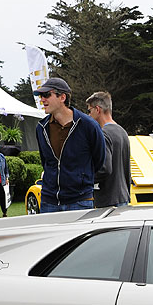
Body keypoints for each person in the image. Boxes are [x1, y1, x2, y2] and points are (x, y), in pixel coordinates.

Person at [34, 77, 106, 212]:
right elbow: (46, 162)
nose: (42, 100)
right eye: (41, 96)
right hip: (49, 202)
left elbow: (99, 160)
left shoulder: (88, 126)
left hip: (80, 201)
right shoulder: (41, 128)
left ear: (62, 97)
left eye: (46, 95)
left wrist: (81, 179)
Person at [86, 91, 131, 208]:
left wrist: (84, 178)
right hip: (123, 196)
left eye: (89, 111)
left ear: (98, 109)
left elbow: (104, 169)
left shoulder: (103, 134)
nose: (89, 116)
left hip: (108, 200)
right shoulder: (123, 132)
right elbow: (127, 169)